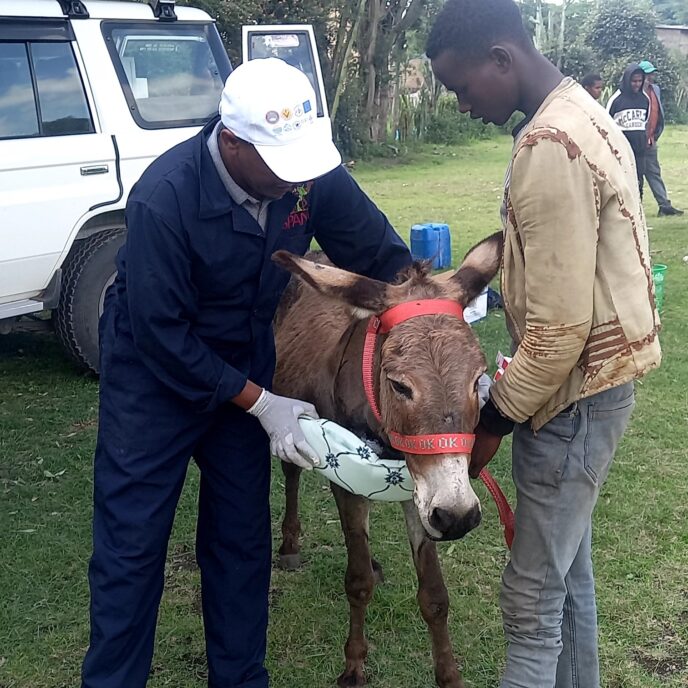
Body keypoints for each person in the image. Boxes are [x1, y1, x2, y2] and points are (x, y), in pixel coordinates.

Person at [81, 58, 412, 688]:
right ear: (231, 144)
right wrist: (263, 403)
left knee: (240, 539)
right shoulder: (165, 196)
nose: (295, 183)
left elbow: (383, 259)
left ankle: (239, 679)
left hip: (243, 357)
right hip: (153, 377)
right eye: (279, 169)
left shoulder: (307, 179)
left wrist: (431, 316)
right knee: (133, 544)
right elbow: (162, 335)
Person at [426, 1, 662, 687]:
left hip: (571, 402)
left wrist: (493, 420)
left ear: (502, 59)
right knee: (566, 578)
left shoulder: (548, 144)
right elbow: (573, 273)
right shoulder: (584, 112)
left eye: (464, 88)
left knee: (530, 603)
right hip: (598, 391)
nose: (465, 107)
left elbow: (560, 336)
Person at [638, 59, 684, 216]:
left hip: (651, 140)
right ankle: (634, 208)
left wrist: (654, 136)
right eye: (648, 74)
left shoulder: (655, 90)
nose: (651, 76)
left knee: (654, 173)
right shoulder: (634, 93)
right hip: (636, 142)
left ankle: (664, 206)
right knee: (635, 175)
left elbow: (657, 115)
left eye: (652, 73)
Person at [607, 64, 650, 196]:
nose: (637, 84)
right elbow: (607, 122)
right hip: (622, 147)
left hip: (639, 148)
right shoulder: (616, 99)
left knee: (638, 179)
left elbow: (645, 121)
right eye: (634, 81)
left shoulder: (645, 99)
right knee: (623, 179)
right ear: (627, 80)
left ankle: (638, 207)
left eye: (639, 81)